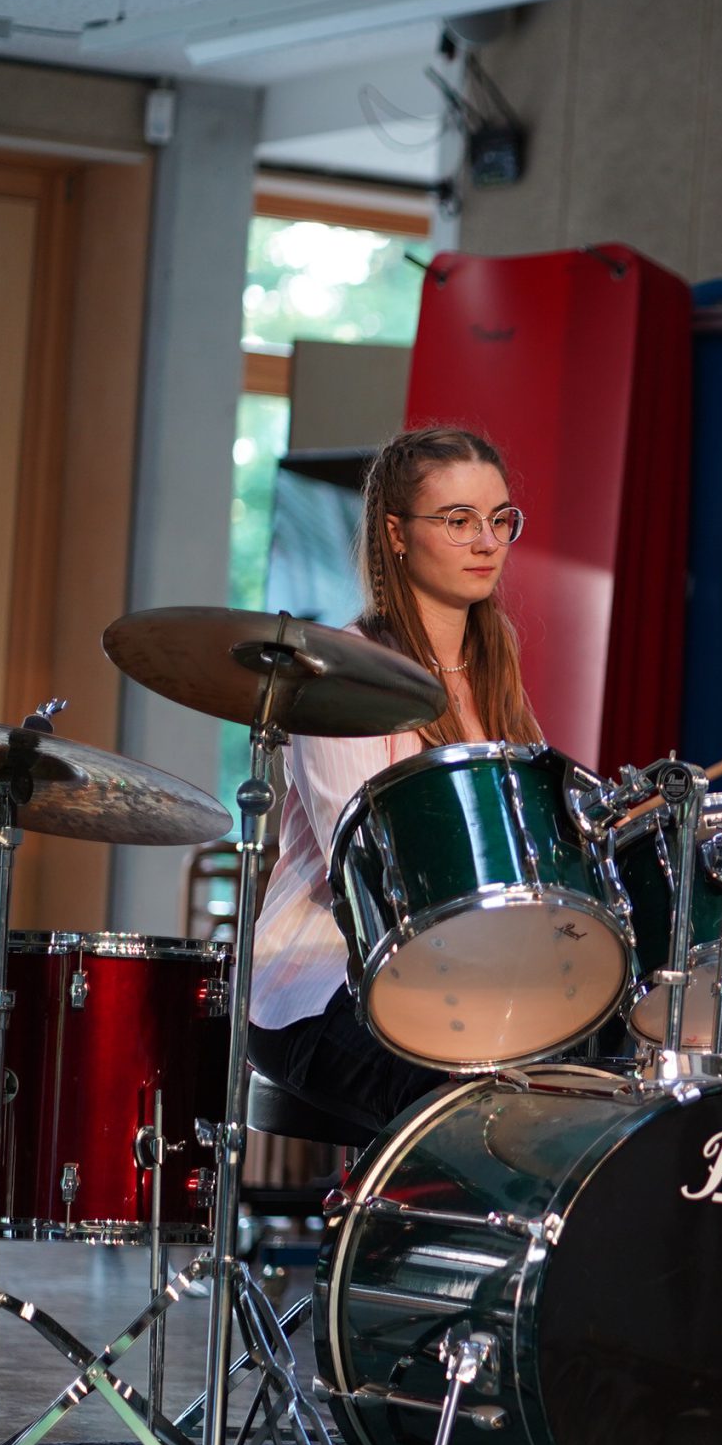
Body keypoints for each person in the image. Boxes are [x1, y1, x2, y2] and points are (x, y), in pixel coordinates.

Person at [247, 425, 542, 1142]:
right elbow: (373, 866)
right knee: (468, 1103)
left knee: (596, 1070)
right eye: (459, 521)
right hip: (320, 986)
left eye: (500, 520)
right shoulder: (344, 673)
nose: (487, 542)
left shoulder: (495, 671)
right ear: (396, 533)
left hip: (461, 984)